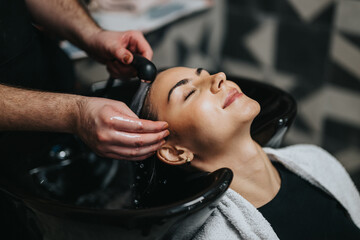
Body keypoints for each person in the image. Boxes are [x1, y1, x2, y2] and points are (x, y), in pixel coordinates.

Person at [139, 67, 360, 239]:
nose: (219, 77)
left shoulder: (316, 161)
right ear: (175, 152)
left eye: (205, 73)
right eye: (189, 93)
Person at [0, 0, 169, 161]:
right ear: (173, 152)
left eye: (197, 71)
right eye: (188, 94)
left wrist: (93, 34)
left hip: (52, 72)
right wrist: (73, 115)